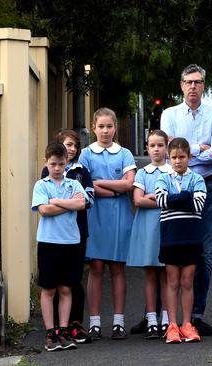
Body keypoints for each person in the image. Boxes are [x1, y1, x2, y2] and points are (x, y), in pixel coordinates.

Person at [160, 64, 212, 335]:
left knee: (204, 254)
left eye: (198, 82)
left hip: (206, 189)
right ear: (181, 85)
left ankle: (196, 316)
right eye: (189, 82)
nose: (193, 87)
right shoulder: (169, 114)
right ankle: (167, 319)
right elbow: (169, 150)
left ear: (204, 85)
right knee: (171, 254)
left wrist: (188, 149)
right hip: (174, 187)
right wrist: (201, 147)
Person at [78, 107, 136, 340]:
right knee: (96, 268)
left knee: (117, 268)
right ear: (94, 128)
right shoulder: (85, 155)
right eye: (101, 126)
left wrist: (100, 183)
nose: (105, 131)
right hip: (94, 216)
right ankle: (94, 322)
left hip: (120, 217)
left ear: (115, 128)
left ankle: (118, 322)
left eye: (109, 126)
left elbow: (129, 185)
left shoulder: (125, 154)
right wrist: (114, 187)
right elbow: (85, 186)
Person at [31, 142, 88, 351]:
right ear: (46, 162)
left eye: (61, 164)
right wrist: (67, 204)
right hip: (48, 243)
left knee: (66, 288)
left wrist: (56, 201)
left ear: (67, 163)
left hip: (71, 242)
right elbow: (43, 210)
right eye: (53, 164)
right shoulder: (41, 185)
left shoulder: (73, 184)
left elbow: (81, 204)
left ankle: (64, 331)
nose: (57, 168)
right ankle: (50, 333)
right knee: (49, 288)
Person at [41, 129, 94, 344]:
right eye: (66, 145)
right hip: (53, 236)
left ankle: (74, 324)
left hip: (77, 232)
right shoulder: (48, 173)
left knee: (72, 280)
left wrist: (58, 202)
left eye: (74, 145)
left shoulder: (82, 172)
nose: (70, 149)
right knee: (53, 282)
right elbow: (43, 205)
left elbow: (86, 201)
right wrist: (70, 205)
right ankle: (53, 327)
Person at [154, 137, 207, 343]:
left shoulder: (198, 179)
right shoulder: (163, 178)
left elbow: (199, 203)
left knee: (187, 280)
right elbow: (161, 200)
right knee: (172, 280)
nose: (177, 161)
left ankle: (187, 323)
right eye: (174, 157)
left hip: (191, 236)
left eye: (182, 157)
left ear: (189, 157)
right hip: (171, 236)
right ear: (169, 157)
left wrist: (176, 199)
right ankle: (172, 325)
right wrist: (186, 196)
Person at [126, 130, 171, 339]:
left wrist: (152, 197)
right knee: (151, 274)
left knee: (166, 275)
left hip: (167, 227)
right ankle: (151, 319)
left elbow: (176, 199)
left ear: (166, 147)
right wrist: (161, 199)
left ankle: (166, 319)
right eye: (152, 146)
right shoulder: (143, 173)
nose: (156, 149)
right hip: (147, 228)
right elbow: (138, 200)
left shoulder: (173, 171)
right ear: (147, 148)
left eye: (160, 145)